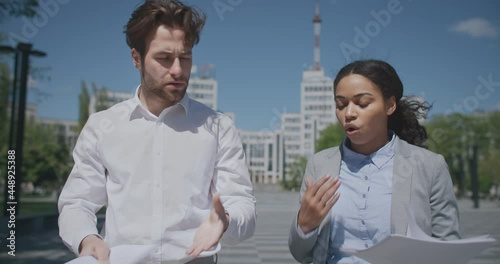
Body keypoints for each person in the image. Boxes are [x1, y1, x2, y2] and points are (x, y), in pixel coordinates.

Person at [58, 1, 256, 263]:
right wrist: (86, 237)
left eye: (185, 58)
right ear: (136, 59)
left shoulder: (218, 127)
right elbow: (77, 202)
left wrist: (226, 220)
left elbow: (243, 205)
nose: (177, 70)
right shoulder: (102, 126)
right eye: (164, 58)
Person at [288, 59, 460, 263]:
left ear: (390, 105)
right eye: (340, 105)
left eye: (362, 103)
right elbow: (301, 254)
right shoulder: (320, 164)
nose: (349, 114)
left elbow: (449, 249)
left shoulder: (429, 166)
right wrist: (305, 226)